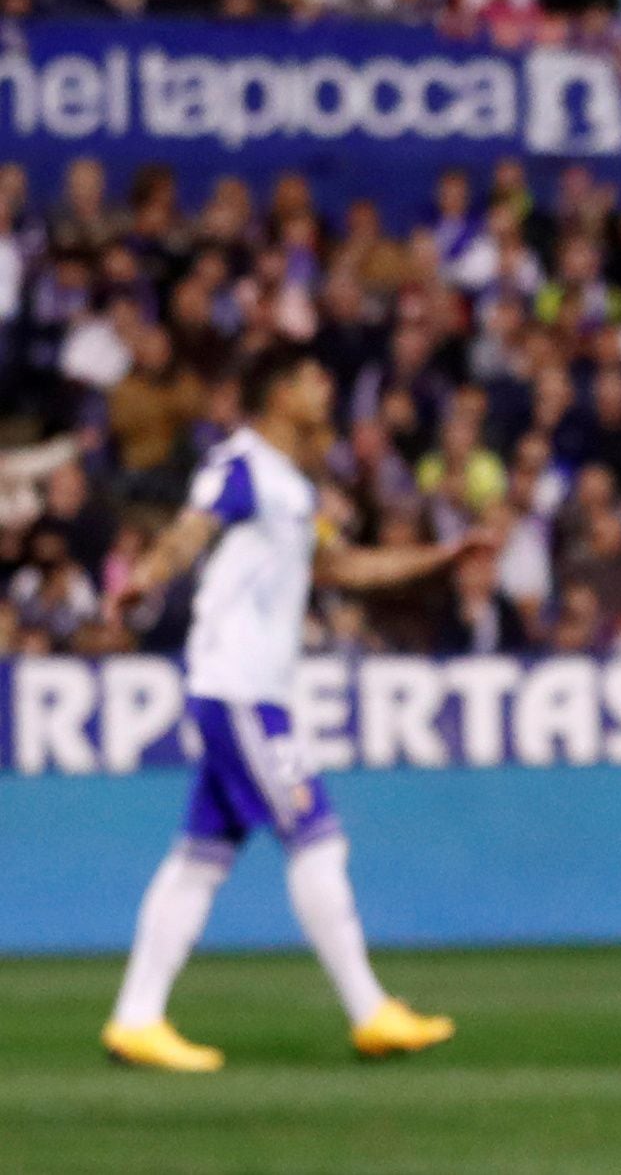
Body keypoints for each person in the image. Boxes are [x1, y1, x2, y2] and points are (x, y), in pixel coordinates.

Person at [101, 343, 469, 1072]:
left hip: (245, 687)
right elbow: (190, 529)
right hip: (238, 687)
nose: (326, 388)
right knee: (317, 834)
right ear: (278, 394)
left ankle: (136, 1017)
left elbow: (340, 566)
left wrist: (438, 559)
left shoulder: (294, 487)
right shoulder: (241, 466)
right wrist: (148, 575)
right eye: (313, 378)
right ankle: (370, 1010)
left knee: (199, 859)